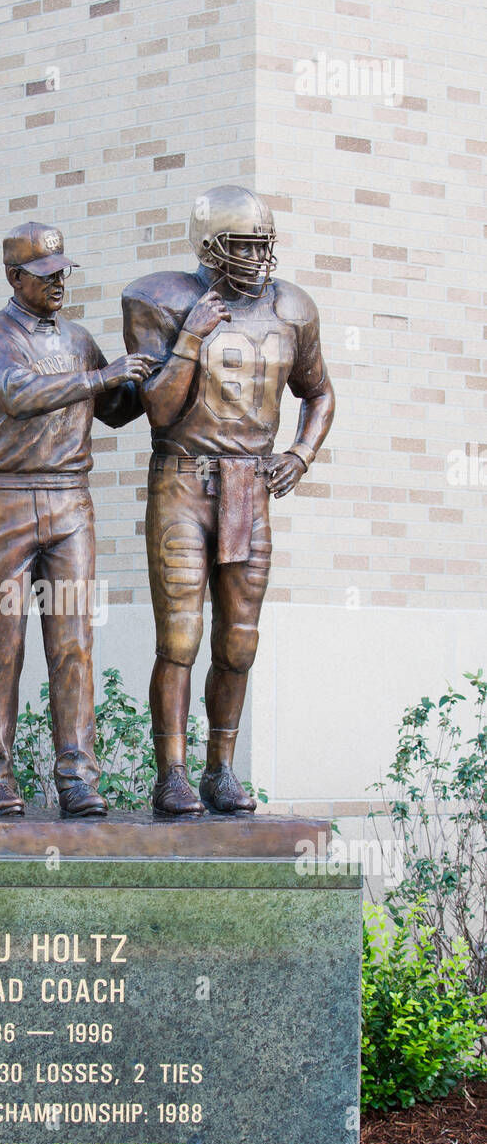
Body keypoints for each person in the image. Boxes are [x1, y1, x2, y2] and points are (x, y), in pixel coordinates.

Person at [122, 185, 335, 817]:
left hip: (248, 484)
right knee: (180, 636)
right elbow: (156, 406)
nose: (254, 257)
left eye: (260, 244)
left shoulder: (292, 307)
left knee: (240, 639)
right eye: (239, 245)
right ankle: (173, 772)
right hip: (183, 478)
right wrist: (191, 338)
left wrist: (299, 453)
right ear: (209, 248)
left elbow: (319, 392)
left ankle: (221, 767)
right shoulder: (161, 298)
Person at [0, 222, 154, 816]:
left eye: (63, 272)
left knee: (73, 642)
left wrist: (164, 359)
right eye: (45, 276)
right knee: (4, 644)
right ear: (14, 277)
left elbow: (116, 410)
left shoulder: (77, 338)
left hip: (70, 503)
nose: (58, 284)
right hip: (5, 503)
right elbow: (19, 394)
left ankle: (77, 777)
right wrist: (104, 375)